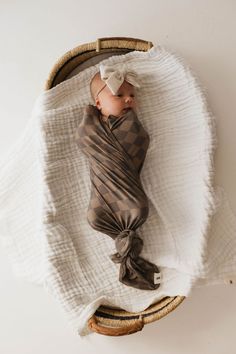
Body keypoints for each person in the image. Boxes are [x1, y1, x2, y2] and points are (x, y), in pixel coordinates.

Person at [75, 63, 161, 290]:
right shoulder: (92, 128)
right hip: (102, 191)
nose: (129, 99)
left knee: (136, 208)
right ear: (98, 103)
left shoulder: (132, 125)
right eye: (119, 94)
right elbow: (84, 140)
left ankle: (130, 255)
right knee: (95, 217)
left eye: (132, 95)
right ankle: (129, 255)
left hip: (130, 193)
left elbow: (141, 140)